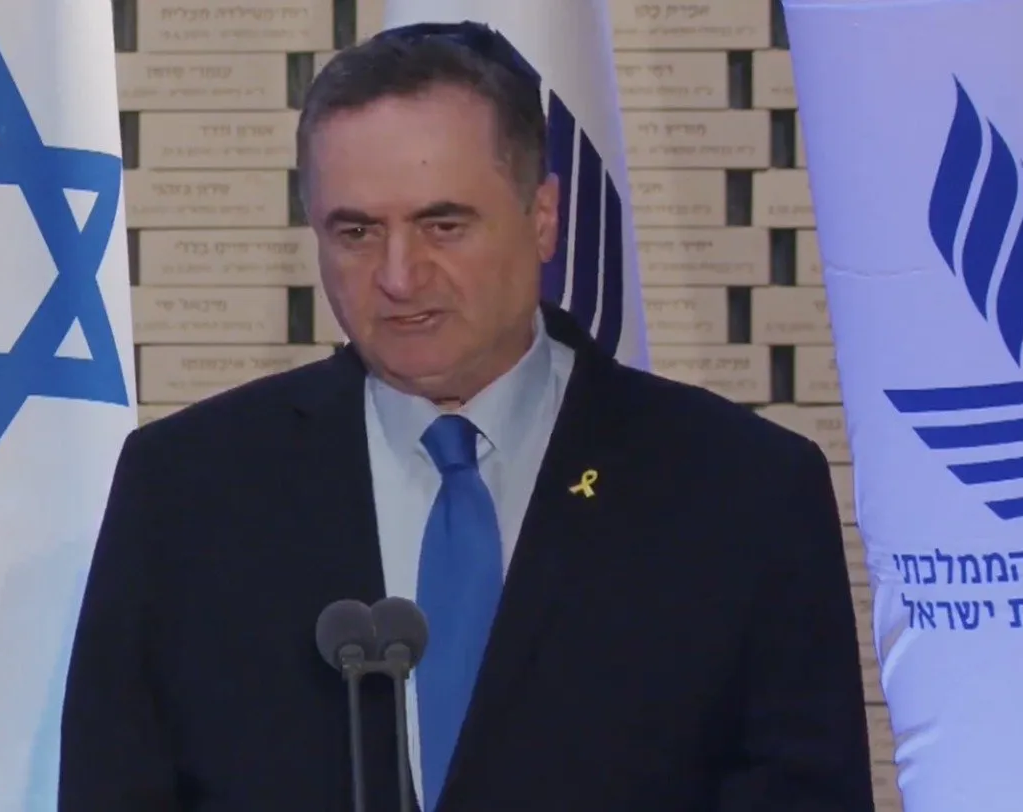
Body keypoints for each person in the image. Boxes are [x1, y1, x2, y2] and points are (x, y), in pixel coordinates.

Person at [57, 20, 875, 812]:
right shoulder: (188, 490)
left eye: (442, 225)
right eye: (356, 231)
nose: (399, 276)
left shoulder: (744, 492)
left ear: (543, 218)